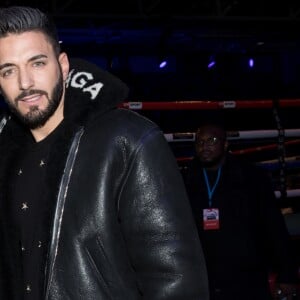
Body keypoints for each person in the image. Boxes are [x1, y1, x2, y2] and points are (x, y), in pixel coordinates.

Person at [0, 6, 209, 300]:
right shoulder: (5, 157)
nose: (24, 83)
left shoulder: (128, 140)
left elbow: (175, 280)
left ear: (62, 66)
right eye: (9, 70)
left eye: (37, 63)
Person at [182, 121, 299, 300]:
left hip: (246, 279)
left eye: (212, 140)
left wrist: (287, 274)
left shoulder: (252, 178)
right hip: (202, 279)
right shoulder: (185, 181)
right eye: (200, 141)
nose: (205, 146)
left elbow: (274, 226)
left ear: (226, 144)